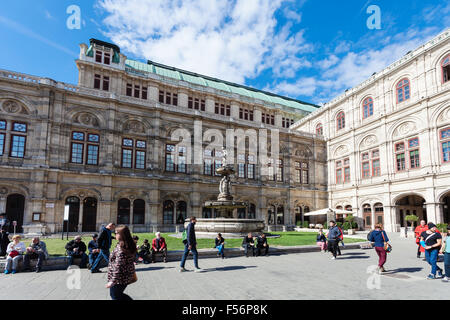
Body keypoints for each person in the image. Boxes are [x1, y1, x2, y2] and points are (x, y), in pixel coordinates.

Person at [106, 226, 137, 300]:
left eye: (116, 233)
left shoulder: (122, 247)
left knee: (115, 295)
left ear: (121, 234)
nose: (115, 235)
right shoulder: (126, 244)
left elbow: (118, 265)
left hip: (120, 278)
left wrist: (113, 281)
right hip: (125, 275)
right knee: (117, 294)